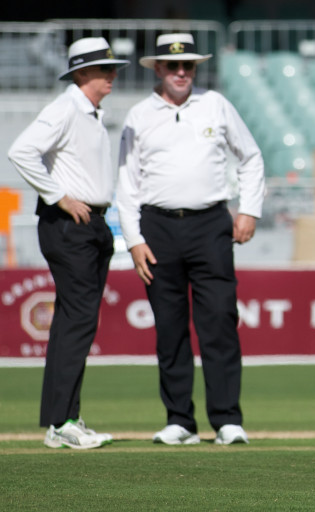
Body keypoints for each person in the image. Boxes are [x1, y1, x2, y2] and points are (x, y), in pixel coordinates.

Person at [116, 33, 265, 446]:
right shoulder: (139, 115)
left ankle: (227, 419)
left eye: (189, 66)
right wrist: (133, 239)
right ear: (158, 69)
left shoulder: (215, 104)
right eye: (173, 65)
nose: (181, 72)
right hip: (157, 227)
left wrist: (249, 209)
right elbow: (127, 183)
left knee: (219, 320)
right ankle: (179, 420)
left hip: (210, 223)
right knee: (169, 326)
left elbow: (251, 157)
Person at [8, 37, 129, 449]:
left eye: (113, 68)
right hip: (69, 223)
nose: (113, 75)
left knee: (74, 321)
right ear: (82, 73)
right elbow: (21, 152)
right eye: (105, 69)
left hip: (91, 222)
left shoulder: (90, 113)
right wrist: (59, 196)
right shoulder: (65, 108)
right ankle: (63, 422)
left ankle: (63, 419)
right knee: (78, 320)